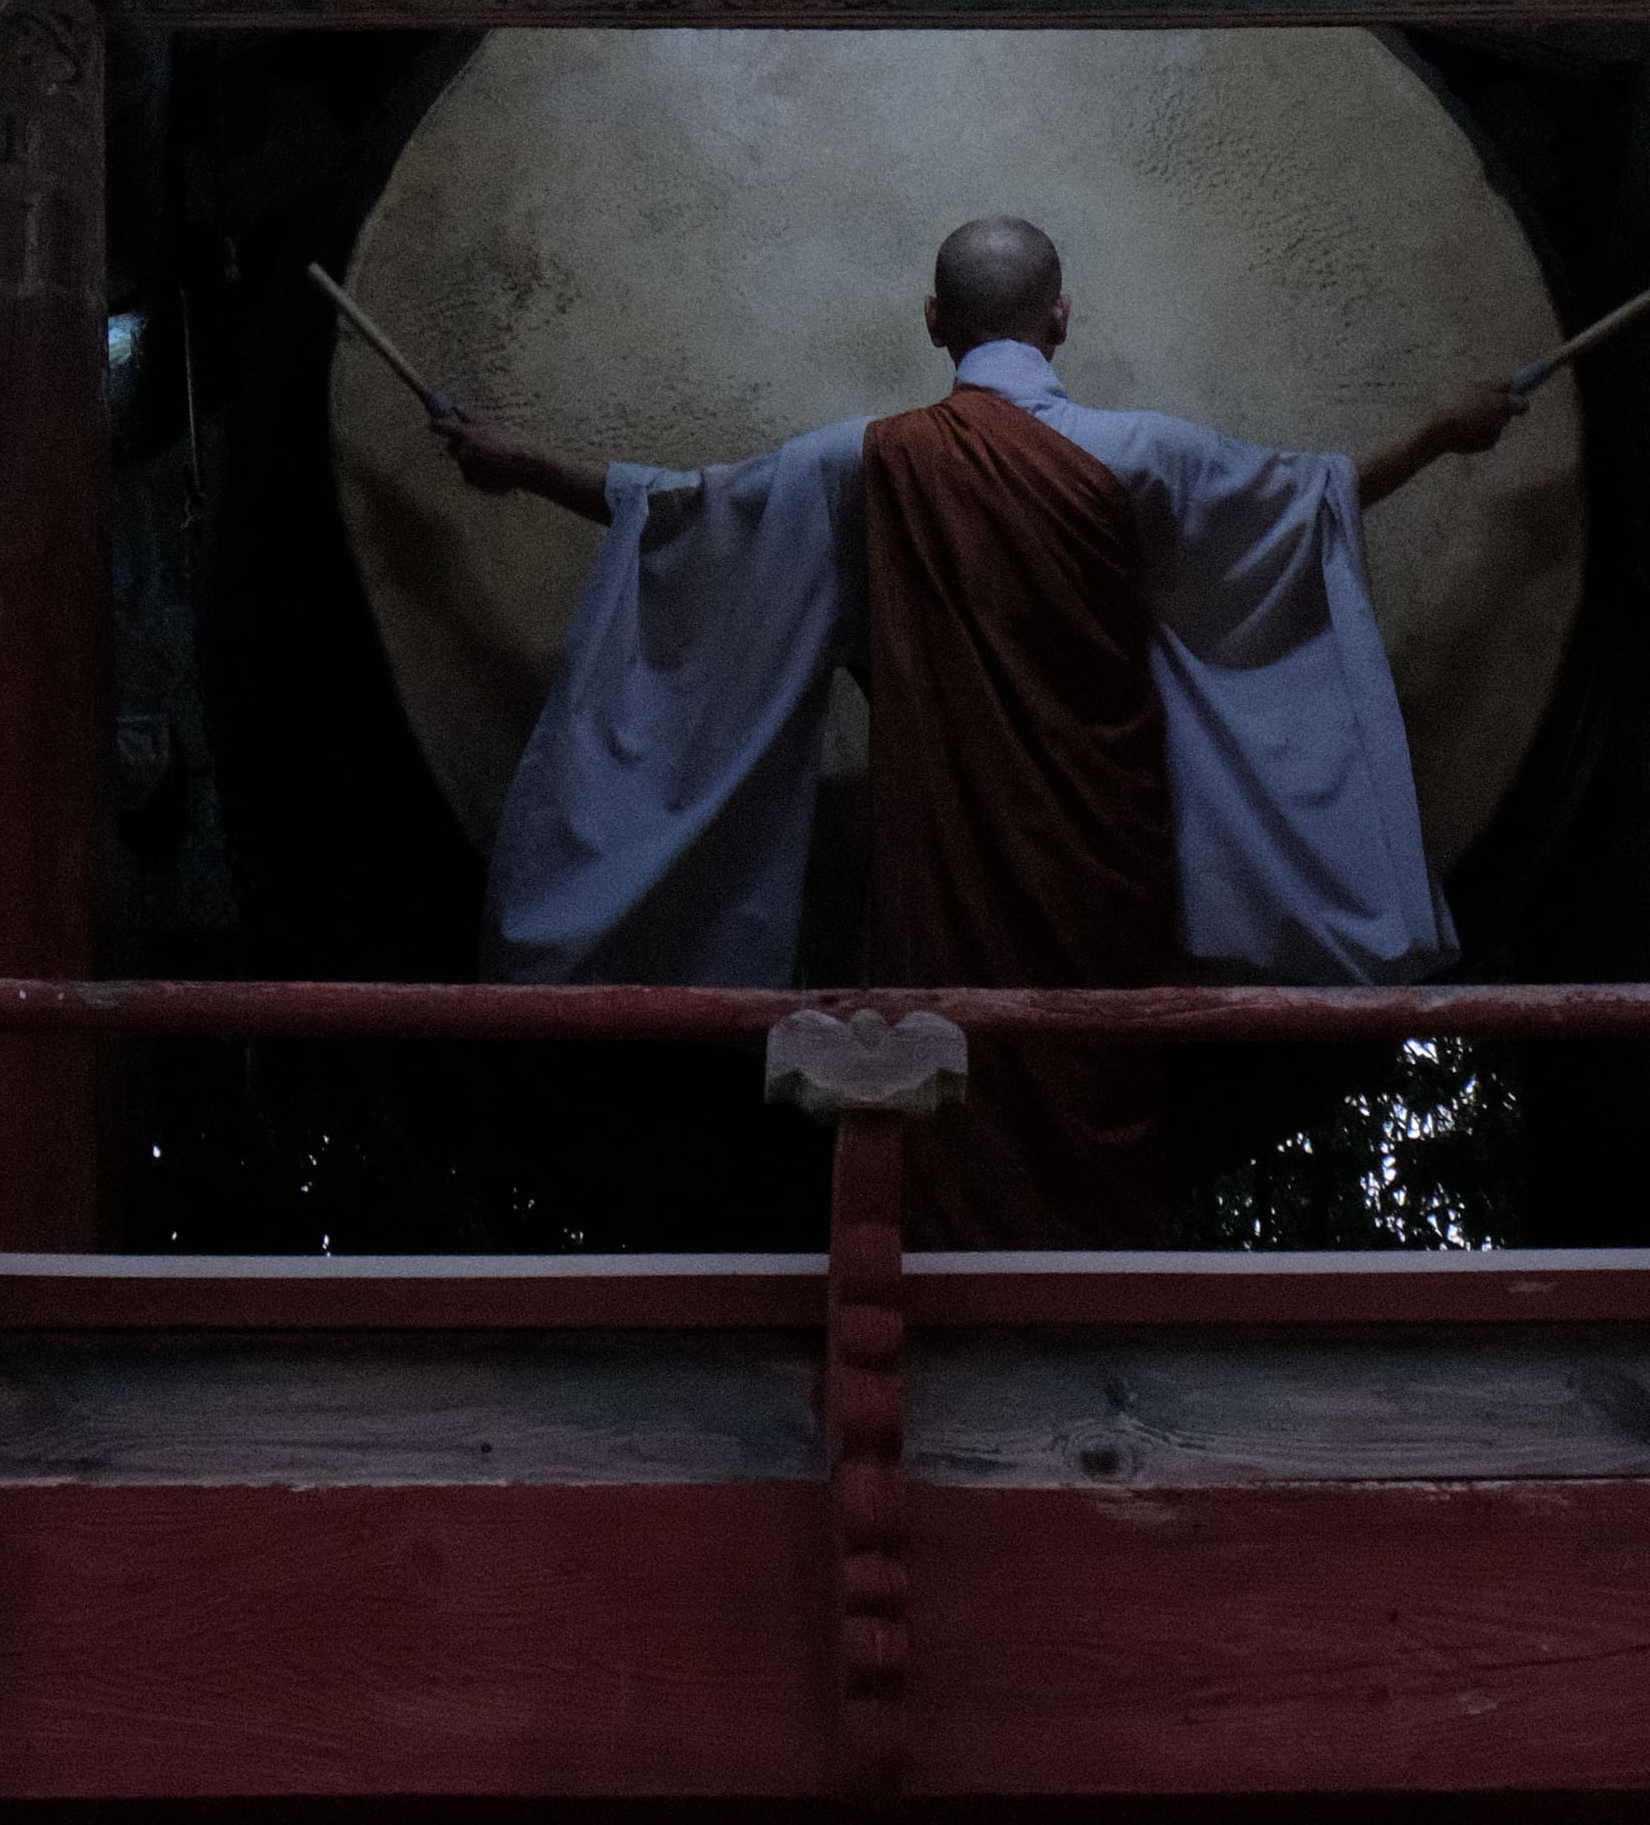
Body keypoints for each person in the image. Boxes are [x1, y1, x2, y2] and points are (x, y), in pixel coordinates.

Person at [434, 214, 1518, 1245]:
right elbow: (1313, 505)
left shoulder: (863, 462)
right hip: (1105, 860)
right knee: (1092, 1070)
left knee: (935, 1074)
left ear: (932, 322)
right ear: (1062, 318)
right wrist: (1438, 434)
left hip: (936, 855)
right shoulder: (1147, 453)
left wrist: (521, 463)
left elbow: (688, 516)